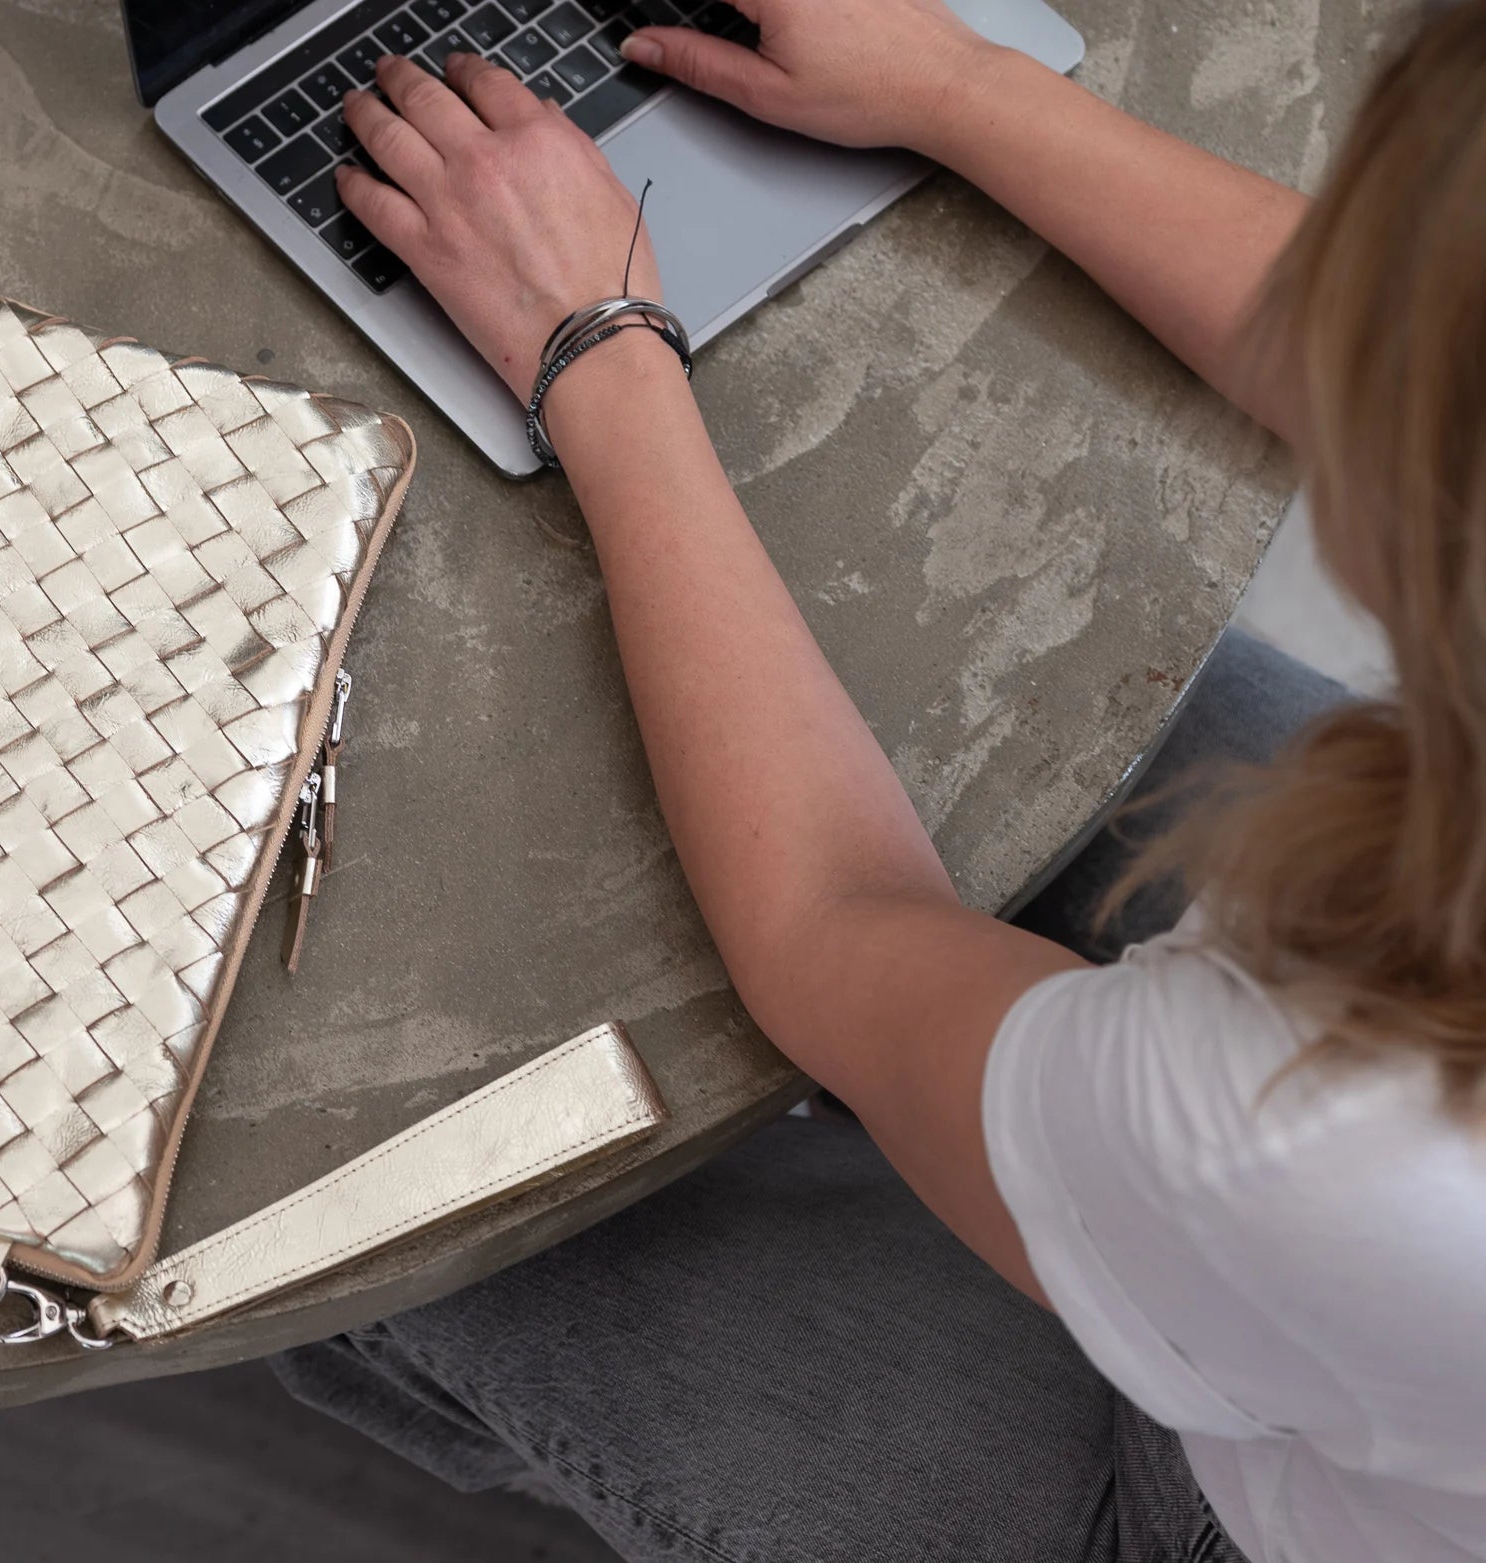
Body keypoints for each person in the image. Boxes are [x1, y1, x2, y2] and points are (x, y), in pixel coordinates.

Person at [270, 3, 1486, 1560]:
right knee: (958, 695)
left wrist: (593, 349)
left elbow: (833, 930)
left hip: (1211, 1515)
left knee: (383, 1211)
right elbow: (1401, 349)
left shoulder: (1326, 1133)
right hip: (1361, 1260)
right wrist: (953, 84)